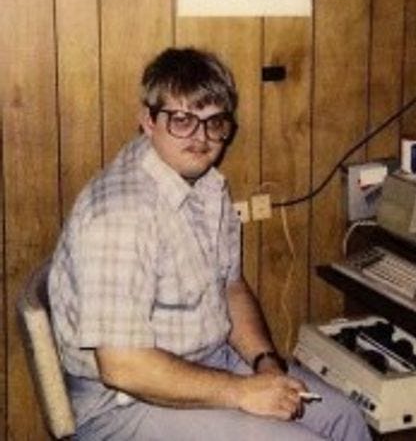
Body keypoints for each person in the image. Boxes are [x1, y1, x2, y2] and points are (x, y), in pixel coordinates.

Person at [48, 47, 372, 441]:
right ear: (148, 120)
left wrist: (265, 363)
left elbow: (230, 287)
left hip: (209, 362)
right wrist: (241, 392)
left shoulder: (206, 185)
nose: (201, 138)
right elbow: (123, 367)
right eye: (182, 120)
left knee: (346, 419)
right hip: (124, 403)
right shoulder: (120, 215)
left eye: (214, 122)